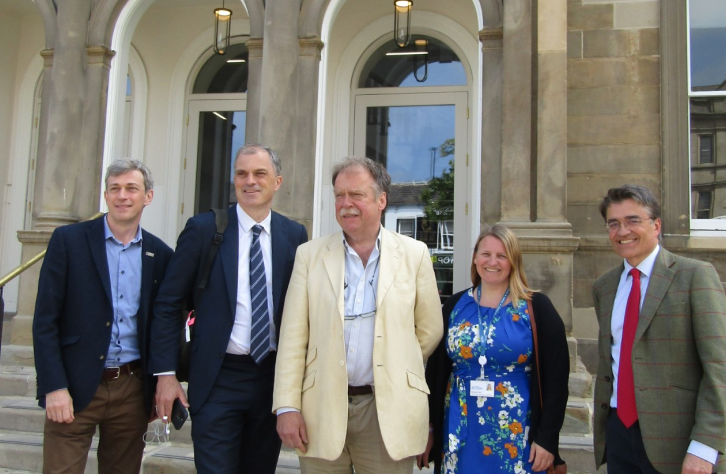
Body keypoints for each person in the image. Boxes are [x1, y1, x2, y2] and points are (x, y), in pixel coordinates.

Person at [273, 156, 443, 474]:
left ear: (381, 200)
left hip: (387, 414)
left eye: (356, 195)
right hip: (319, 411)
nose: (346, 204)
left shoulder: (414, 254)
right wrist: (287, 406)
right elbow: (293, 338)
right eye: (339, 195)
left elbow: (430, 329)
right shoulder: (309, 256)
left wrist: (394, 360)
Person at [149, 144, 308, 474]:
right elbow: (168, 303)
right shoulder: (204, 229)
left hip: (270, 380)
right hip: (217, 378)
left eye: (259, 173)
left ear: (277, 182)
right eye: (241, 174)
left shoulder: (293, 235)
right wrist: (166, 374)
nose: (249, 181)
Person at [33, 158, 173, 474]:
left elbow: (164, 323)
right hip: (75, 386)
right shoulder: (69, 241)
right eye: (115, 189)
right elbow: (45, 321)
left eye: (131, 189)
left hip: (131, 388)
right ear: (106, 195)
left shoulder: (161, 255)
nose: (122, 196)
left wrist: (159, 381)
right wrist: (53, 387)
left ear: (147, 196)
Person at [593, 185, 726, 474]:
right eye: (614, 224)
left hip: (678, 442)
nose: (623, 231)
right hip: (619, 435)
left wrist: (704, 447)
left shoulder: (695, 275)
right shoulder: (604, 287)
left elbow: (720, 369)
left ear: (656, 225)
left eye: (633, 220)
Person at [423, 223, 569, 474]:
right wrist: (429, 428)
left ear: (513, 261)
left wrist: (547, 439)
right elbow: (435, 372)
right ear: (475, 258)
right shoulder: (456, 305)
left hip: (517, 428)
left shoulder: (536, 307)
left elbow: (557, 378)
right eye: (486, 254)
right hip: (460, 426)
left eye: (502, 255)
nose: (493, 262)